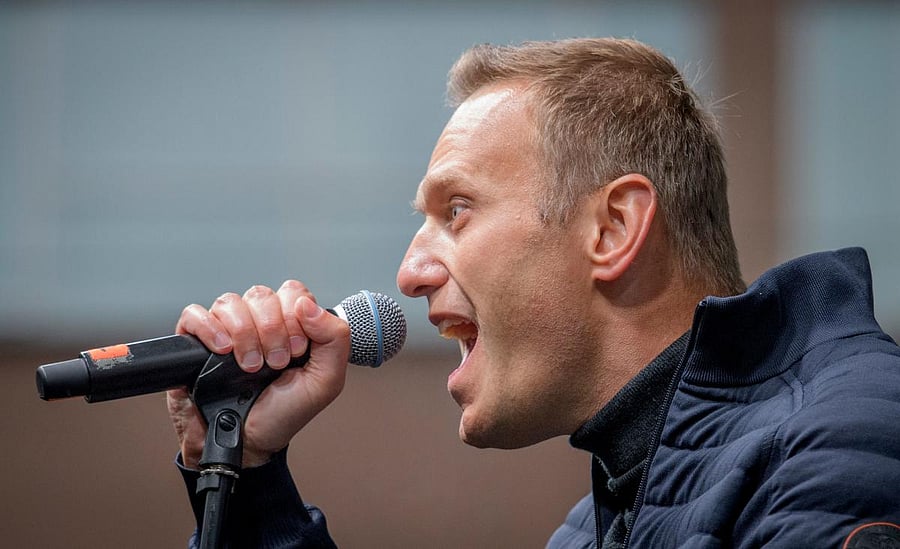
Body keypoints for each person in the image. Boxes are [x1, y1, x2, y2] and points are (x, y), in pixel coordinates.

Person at [167, 38, 900, 548]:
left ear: (613, 228)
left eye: (456, 210)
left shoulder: (840, 445)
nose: (410, 271)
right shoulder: (594, 526)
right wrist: (250, 477)